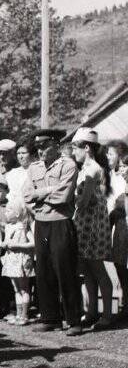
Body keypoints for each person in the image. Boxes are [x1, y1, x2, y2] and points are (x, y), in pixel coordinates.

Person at [23, 128, 81, 336]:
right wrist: (48, 191)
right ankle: (50, 318)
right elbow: (27, 195)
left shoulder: (68, 165)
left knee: (65, 270)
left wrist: (40, 195)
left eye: (44, 146)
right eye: (37, 147)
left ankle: (74, 319)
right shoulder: (34, 168)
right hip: (41, 222)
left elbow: (63, 197)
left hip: (61, 222)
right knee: (44, 272)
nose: (40, 151)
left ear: (56, 144)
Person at [70, 127, 114, 329]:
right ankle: (92, 312)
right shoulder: (85, 169)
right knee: (87, 270)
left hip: (92, 225)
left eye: (75, 149)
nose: (73, 153)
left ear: (86, 148)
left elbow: (84, 201)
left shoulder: (93, 169)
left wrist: (69, 198)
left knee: (97, 268)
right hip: (85, 223)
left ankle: (106, 314)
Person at [105, 140, 128, 318]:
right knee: (118, 264)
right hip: (115, 224)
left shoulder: (124, 175)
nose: (107, 157)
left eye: (111, 154)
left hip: (124, 222)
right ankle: (124, 303)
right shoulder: (109, 176)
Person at [1, 204, 34, 325]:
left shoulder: (23, 227)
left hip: (21, 259)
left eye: (8, 211)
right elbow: (6, 241)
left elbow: (33, 243)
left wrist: (18, 246)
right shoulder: (8, 227)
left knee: (24, 288)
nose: (5, 213)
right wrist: (4, 244)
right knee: (16, 289)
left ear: (16, 214)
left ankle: (24, 315)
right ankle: (18, 313)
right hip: (11, 260)